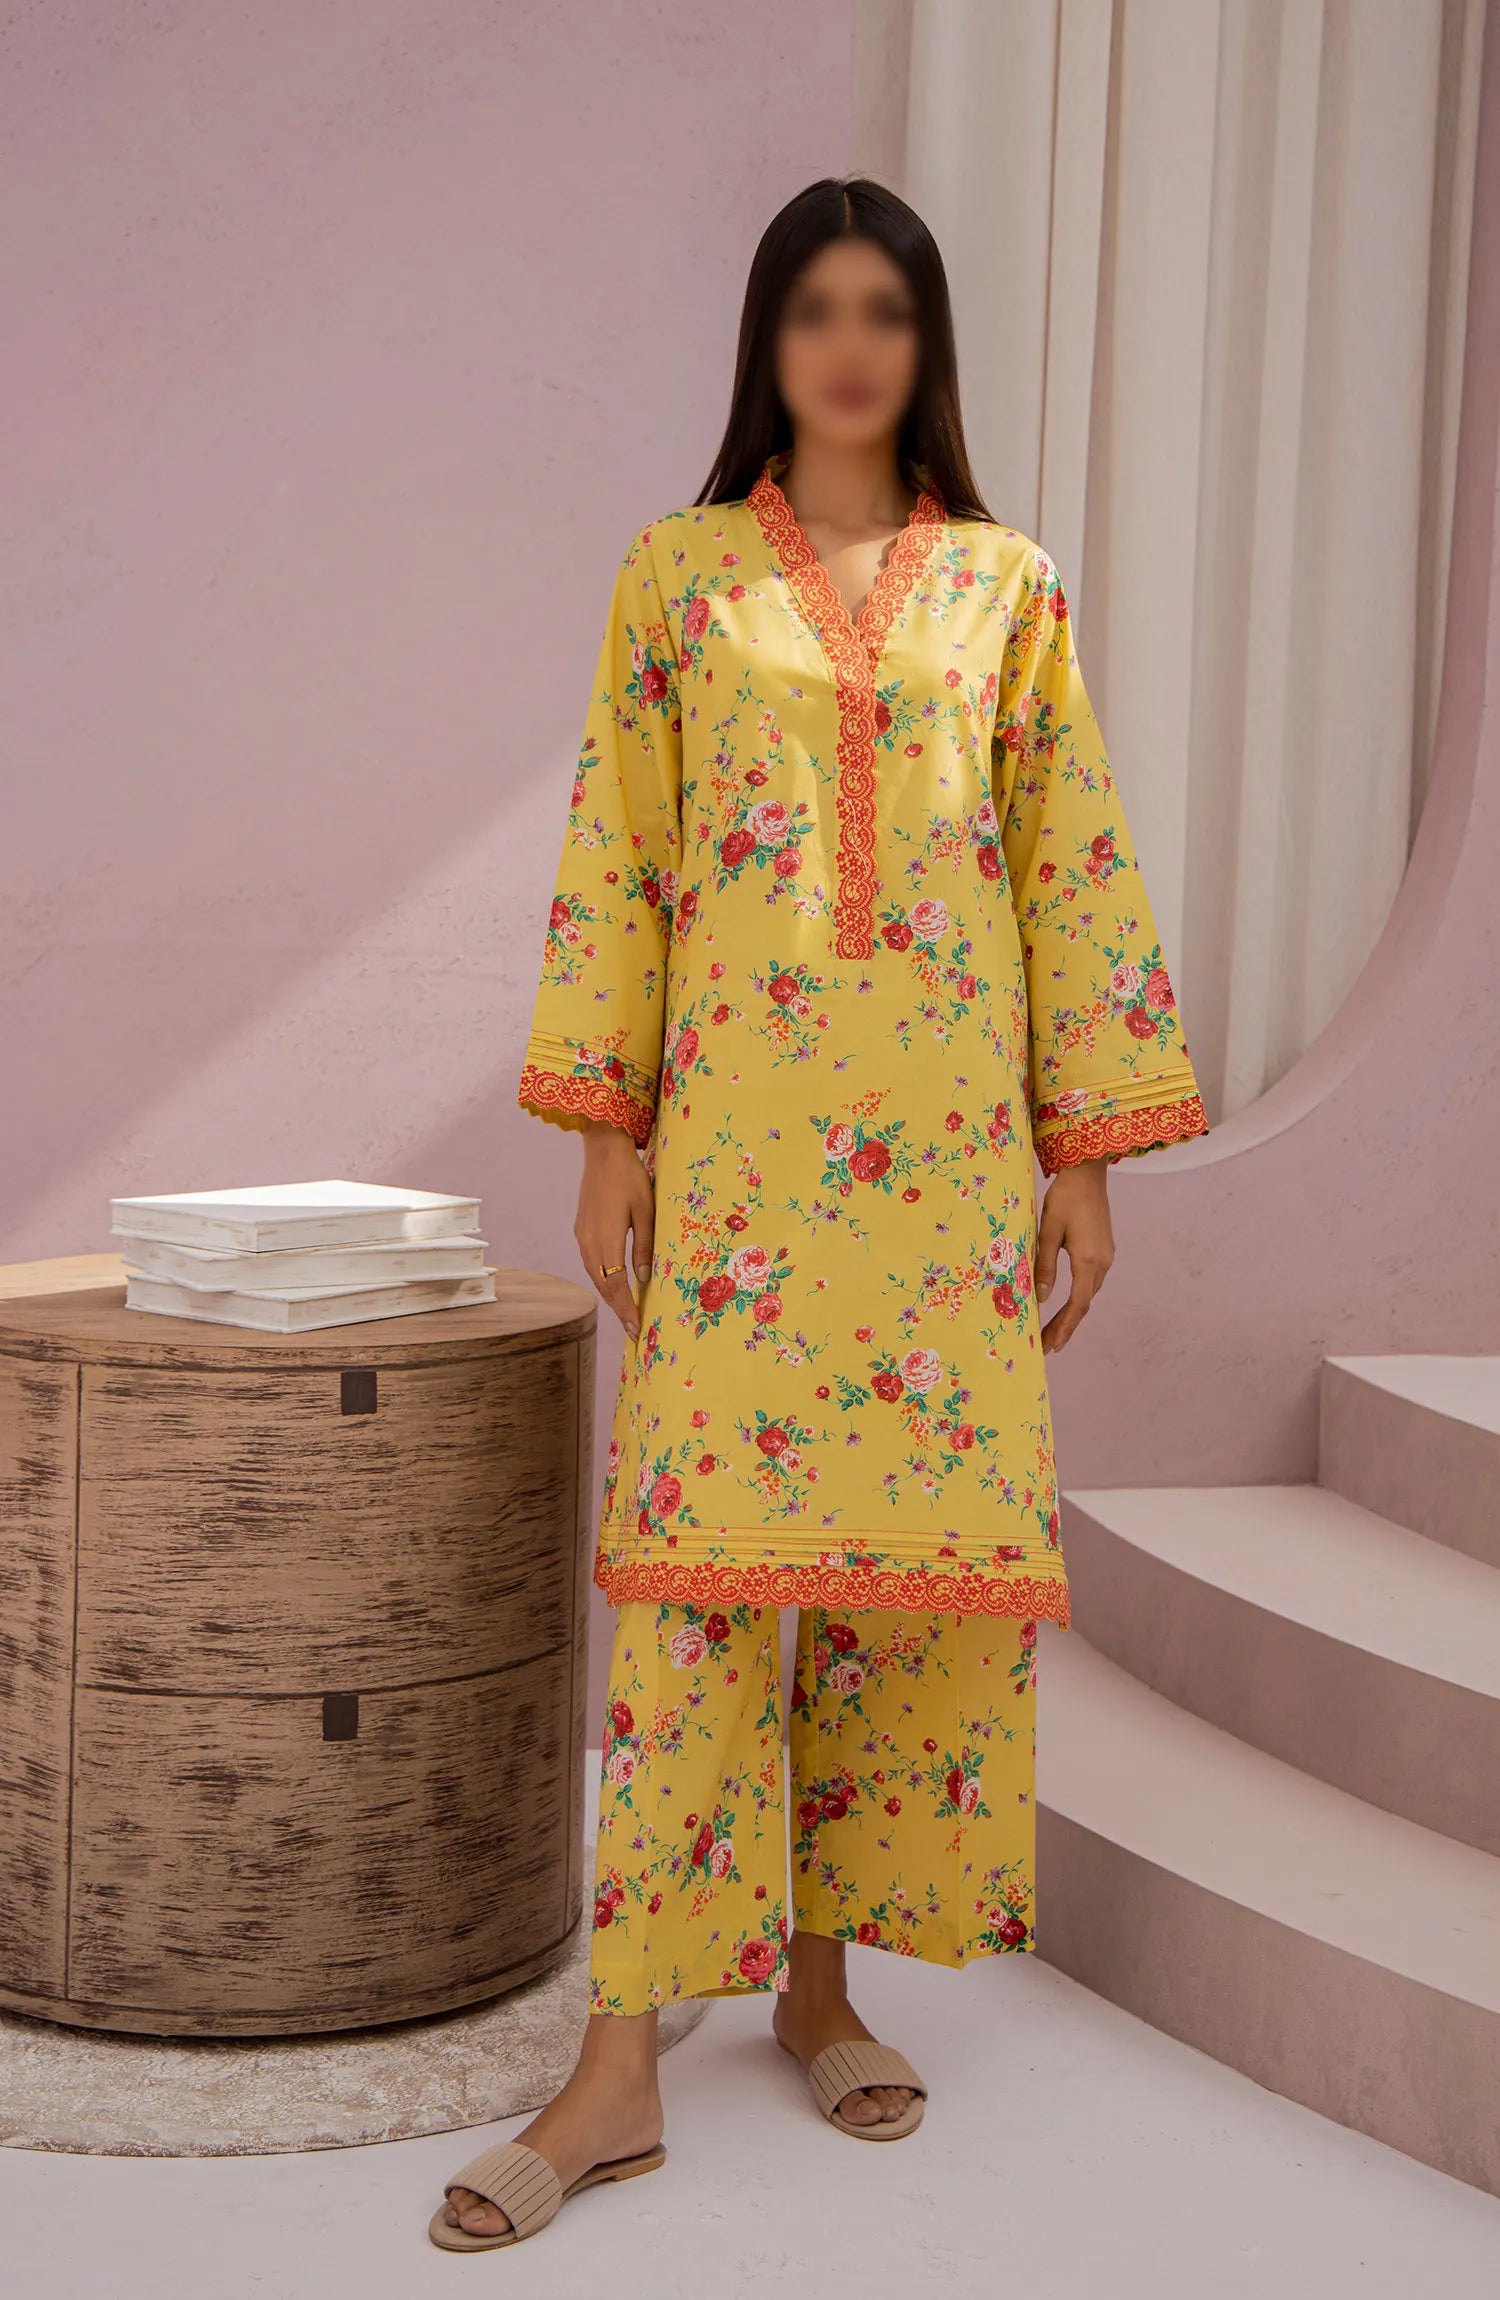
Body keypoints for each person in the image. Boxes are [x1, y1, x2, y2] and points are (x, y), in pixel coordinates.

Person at [431, 173, 1207, 2252]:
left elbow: (1067, 858)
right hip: (744, 1159)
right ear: (766, 343)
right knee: (695, 1588)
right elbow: (625, 846)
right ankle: (618, 2062)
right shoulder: (678, 575)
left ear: (925, 344)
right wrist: (607, 1131)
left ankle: (822, 1988)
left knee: (890, 1580)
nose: (851, 347)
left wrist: (1081, 1153)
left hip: (943, 1165)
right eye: (815, 310)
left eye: (886, 311)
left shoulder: (1006, 588)